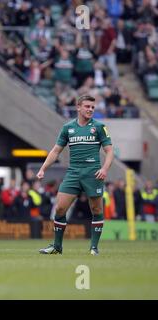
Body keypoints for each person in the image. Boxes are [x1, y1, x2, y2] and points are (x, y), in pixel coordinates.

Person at [36, 94, 114, 256]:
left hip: (93, 172)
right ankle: (57, 246)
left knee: (96, 209)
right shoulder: (68, 128)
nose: (90, 109)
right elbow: (56, 151)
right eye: (87, 106)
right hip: (73, 172)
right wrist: (43, 168)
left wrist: (105, 168)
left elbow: (109, 151)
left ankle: (94, 247)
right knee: (60, 208)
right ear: (78, 107)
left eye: (92, 107)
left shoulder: (99, 127)